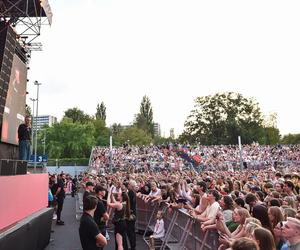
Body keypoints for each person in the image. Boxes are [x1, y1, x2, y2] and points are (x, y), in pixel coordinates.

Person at [126, 180, 137, 250]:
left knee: (130, 231)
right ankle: (133, 246)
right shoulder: (132, 192)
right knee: (131, 231)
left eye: (129, 184)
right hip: (132, 213)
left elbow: (130, 204)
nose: (128, 185)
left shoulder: (131, 192)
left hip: (131, 214)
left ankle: (133, 247)